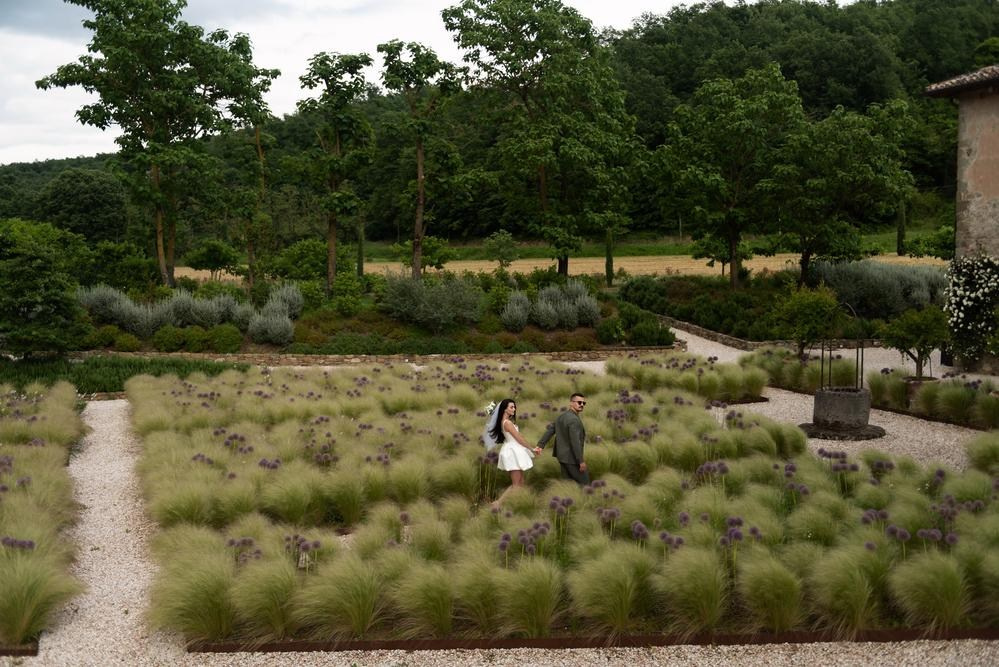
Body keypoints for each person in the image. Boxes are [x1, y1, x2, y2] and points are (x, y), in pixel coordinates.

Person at [484, 398, 542, 508]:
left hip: (514, 449)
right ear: (505, 409)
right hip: (512, 451)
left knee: (520, 482)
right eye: (511, 407)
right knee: (517, 483)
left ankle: (503, 503)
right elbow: (519, 438)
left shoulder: (505, 422)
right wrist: (531, 448)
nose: (514, 409)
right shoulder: (507, 423)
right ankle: (505, 504)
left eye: (514, 407)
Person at [537, 392, 589, 485]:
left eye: (583, 403)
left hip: (562, 457)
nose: (582, 405)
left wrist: (540, 445)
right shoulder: (574, 420)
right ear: (571, 403)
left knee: (567, 484)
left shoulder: (561, 416)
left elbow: (550, 431)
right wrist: (580, 461)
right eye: (579, 402)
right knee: (585, 484)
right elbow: (575, 442)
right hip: (572, 459)